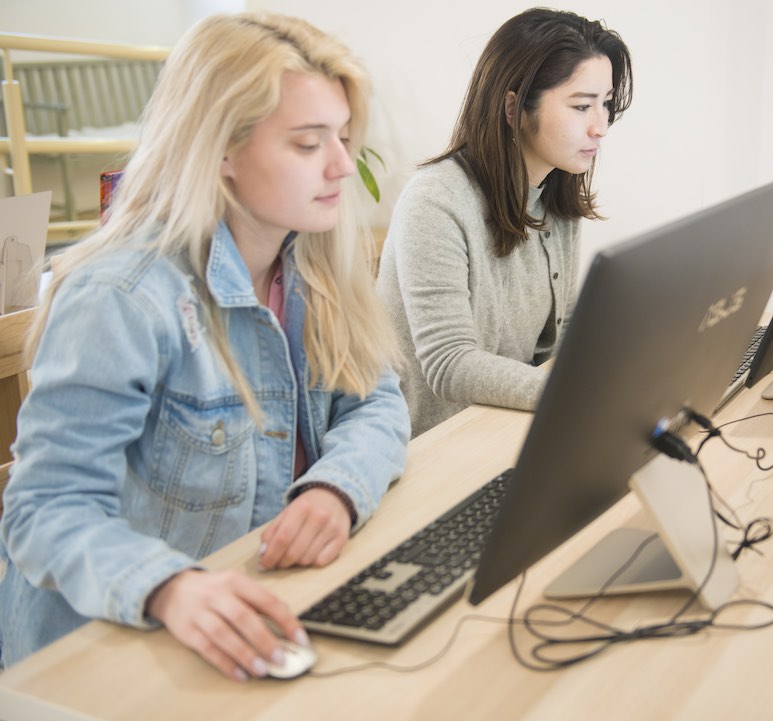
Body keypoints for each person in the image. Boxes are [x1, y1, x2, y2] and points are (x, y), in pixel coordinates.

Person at [0, 12, 410, 681]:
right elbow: (46, 508)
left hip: (256, 606)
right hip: (102, 653)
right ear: (220, 150)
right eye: (308, 144)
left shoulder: (310, 262)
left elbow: (378, 401)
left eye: (342, 136)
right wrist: (170, 586)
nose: (341, 165)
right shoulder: (124, 295)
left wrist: (335, 488)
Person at [376, 8, 633, 436]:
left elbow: (558, 339)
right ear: (513, 107)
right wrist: (580, 392)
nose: (600, 126)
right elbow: (450, 366)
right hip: (432, 447)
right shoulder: (435, 200)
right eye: (581, 106)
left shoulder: (557, 194)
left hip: (505, 428)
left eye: (605, 104)